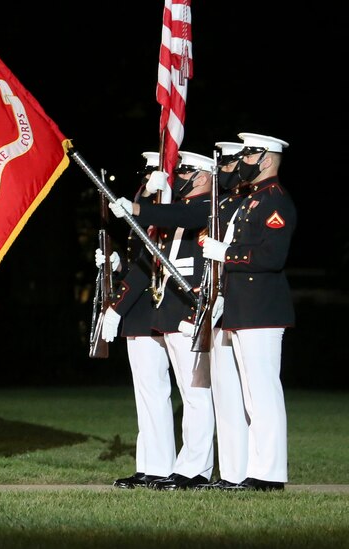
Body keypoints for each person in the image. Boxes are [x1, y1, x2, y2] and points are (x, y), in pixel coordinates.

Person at [110, 150, 217, 490]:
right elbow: (147, 257)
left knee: (195, 393)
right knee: (152, 393)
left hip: (187, 309)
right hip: (163, 309)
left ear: (201, 176)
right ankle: (156, 465)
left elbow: (181, 215)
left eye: (182, 171)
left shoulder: (207, 207)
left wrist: (142, 205)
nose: (177, 176)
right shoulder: (173, 210)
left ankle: (195, 469)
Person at [200, 133, 295, 491]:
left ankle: (268, 475)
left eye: (250, 155)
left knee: (262, 394)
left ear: (267, 159)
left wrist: (226, 254)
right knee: (248, 396)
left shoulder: (275, 201)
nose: (243, 162)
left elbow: (271, 257)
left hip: (262, 309)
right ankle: (246, 473)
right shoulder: (251, 200)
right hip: (242, 307)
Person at [97, 151, 174, 489]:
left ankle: (162, 467)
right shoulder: (149, 197)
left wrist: (118, 306)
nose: (144, 178)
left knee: (154, 391)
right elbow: (135, 259)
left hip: (149, 307)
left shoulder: (162, 203)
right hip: (141, 308)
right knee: (145, 393)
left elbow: (149, 264)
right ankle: (150, 465)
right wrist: (116, 266)